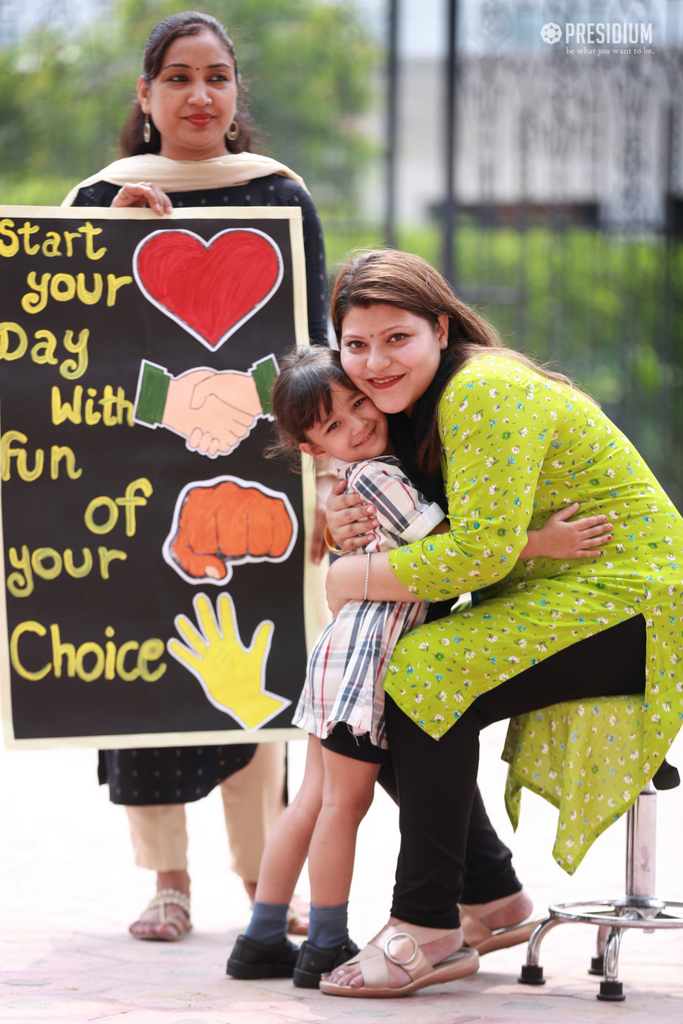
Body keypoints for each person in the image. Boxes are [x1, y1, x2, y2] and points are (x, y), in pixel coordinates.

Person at [318, 249, 683, 997]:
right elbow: (428, 532)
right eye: (356, 345)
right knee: (387, 689)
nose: (374, 362)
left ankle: (427, 924)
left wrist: (345, 579)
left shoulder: (480, 390)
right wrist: (337, 515)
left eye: (396, 339)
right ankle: (490, 901)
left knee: (423, 669)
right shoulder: (415, 408)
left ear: (440, 329)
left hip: (634, 597)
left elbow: (478, 553)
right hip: (570, 594)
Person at [226, 346, 613, 990]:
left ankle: (262, 935)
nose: (358, 422)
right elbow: (456, 548)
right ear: (311, 448)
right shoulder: (379, 476)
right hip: (365, 658)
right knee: (341, 806)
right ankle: (323, 939)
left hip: (341, 655)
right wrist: (539, 544)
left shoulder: (364, 474)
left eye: (357, 403)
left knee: (317, 799)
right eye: (334, 425)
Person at [63, 9, 330, 940]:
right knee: (146, 673)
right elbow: (67, 356)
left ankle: (268, 882)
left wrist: (311, 461)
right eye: (177, 77)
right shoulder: (101, 200)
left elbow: (307, 348)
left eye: (215, 75)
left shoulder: (277, 196)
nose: (198, 94)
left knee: (251, 667)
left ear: (236, 92)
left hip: (253, 470)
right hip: (132, 473)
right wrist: (115, 250)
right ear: (145, 96)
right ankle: (165, 882)